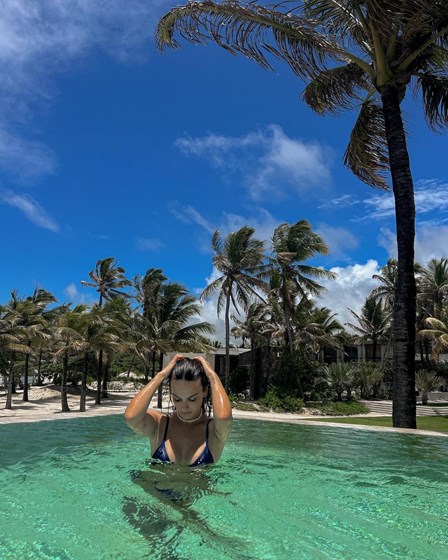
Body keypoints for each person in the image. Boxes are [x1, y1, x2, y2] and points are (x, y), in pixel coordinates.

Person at [124, 354, 233, 466]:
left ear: (205, 391)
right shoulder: (160, 424)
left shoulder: (214, 430)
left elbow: (224, 418)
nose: (184, 407)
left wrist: (212, 376)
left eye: (192, 399)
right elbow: (132, 418)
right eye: (177, 399)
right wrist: (161, 375)